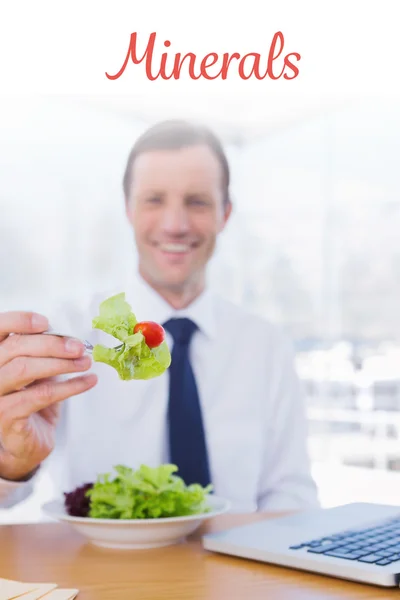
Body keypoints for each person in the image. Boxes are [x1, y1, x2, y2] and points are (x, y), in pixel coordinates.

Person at [0, 120, 319, 513]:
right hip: (94, 570)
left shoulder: (264, 346)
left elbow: (292, 496)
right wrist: (13, 463)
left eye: (197, 201)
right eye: (154, 199)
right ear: (129, 209)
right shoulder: (64, 338)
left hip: (235, 570)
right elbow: (6, 500)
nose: (175, 225)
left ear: (226, 213)